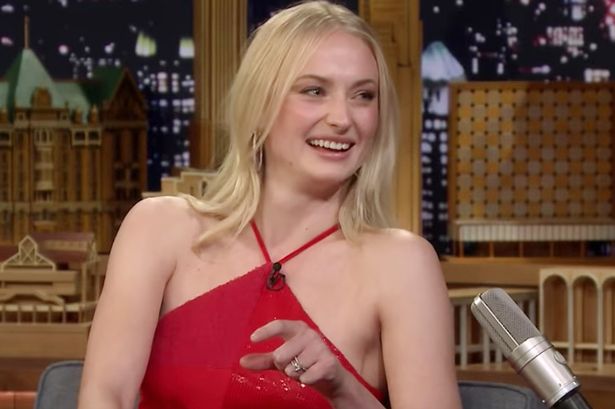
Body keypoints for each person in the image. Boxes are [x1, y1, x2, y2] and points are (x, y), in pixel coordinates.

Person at [78, 1, 462, 408]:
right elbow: (106, 395)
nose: (342, 118)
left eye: (363, 96)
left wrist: (345, 392)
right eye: (314, 91)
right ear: (260, 104)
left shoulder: (402, 265)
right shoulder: (158, 229)